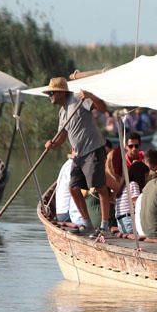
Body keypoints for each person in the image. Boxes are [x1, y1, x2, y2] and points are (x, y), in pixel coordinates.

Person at [43, 77, 111, 234]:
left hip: (93, 150)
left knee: (99, 187)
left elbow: (103, 108)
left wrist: (90, 96)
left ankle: (105, 224)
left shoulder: (78, 99)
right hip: (78, 155)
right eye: (49, 93)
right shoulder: (62, 112)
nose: (49, 96)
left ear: (61, 93)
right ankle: (87, 223)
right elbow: (61, 137)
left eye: (51, 93)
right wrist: (52, 144)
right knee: (73, 187)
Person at [116, 161, 148, 234]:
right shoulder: (133, 184)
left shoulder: (124, 186)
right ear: (140, 175)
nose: (146, 179)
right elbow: (137, 204)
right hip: (129, 222)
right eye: (146, 176)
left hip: (121, 224)